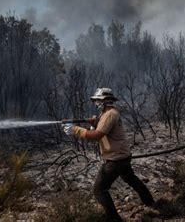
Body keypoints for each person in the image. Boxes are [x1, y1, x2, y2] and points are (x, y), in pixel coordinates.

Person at [63, 88, 154, 221]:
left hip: (115, 159)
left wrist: (75, 130)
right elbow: (101, 128)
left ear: (105, 101)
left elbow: (98, 135)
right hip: (122, 155)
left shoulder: (110, 114)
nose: (96, 103)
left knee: (99, 189)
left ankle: (114, 219)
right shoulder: (106, 113)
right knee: (131, 179)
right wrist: (94, 123)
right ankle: (150, 202)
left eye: (98, 100)